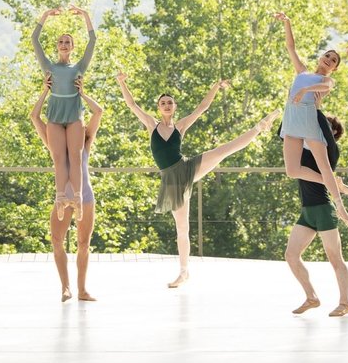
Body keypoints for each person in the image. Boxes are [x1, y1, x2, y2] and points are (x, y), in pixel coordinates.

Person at [117, 72, 280, 288]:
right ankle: (184, 272)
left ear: (175, 106)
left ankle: (260, 127)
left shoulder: (180, 126)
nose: (166, 105)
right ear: (158, 107)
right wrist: (121, 82)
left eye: (170, 102)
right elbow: (131, 104)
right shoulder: (151, 124)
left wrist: (216, 86)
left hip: (186, 167)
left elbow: (202, 108)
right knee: (182, 228)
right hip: (171, 180)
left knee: (223, 150)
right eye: (163, 103)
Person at [273, 12, 348, 231]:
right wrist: (287, 22)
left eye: (333, 60)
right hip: (291, 121)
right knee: (292, 170)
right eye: (327, 55)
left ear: (334, 68)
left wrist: (307, 90)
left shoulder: (326, 80)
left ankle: (340, 207)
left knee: (325, 166)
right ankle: (336, 184)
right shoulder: (302, 72)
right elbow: (290, 47)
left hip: (308, 120)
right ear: (321, 57)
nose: (329, 59)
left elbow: (326, 87)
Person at [31, 75, 101, 302]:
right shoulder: (53, 141)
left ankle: (82, 290)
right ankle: (66, 287)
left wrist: (82, 94)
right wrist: (45, 91)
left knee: (84, 243)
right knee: (56, 240)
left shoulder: (85, 140)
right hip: (63, 199)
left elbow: (98, 112)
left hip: (84, 197)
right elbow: (34, 116)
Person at [285, 111, 348, 317]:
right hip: (307, 211)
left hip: (323, 208)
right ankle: (311, 297)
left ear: (333, 132)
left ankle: (345, 302)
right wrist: (298, 107)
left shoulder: (330, 150)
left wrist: (311, 104)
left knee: (335, 258)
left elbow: (319, 121)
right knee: (291, 255)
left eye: (327, 125)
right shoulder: (304, 147)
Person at [32, 6, 96, 219]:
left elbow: (92, 41)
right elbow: (34, 40)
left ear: (72, 46)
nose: (64, 44)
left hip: (74, 114)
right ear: (57, 46)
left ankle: (77, 199)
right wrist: (45, 16)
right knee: (58, 159)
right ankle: (60, 199)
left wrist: (85, 15)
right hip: (55, 116)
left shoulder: (79, 67)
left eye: (67, 42)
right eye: (61, 41)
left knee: (76, 158)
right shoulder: (49, 67)